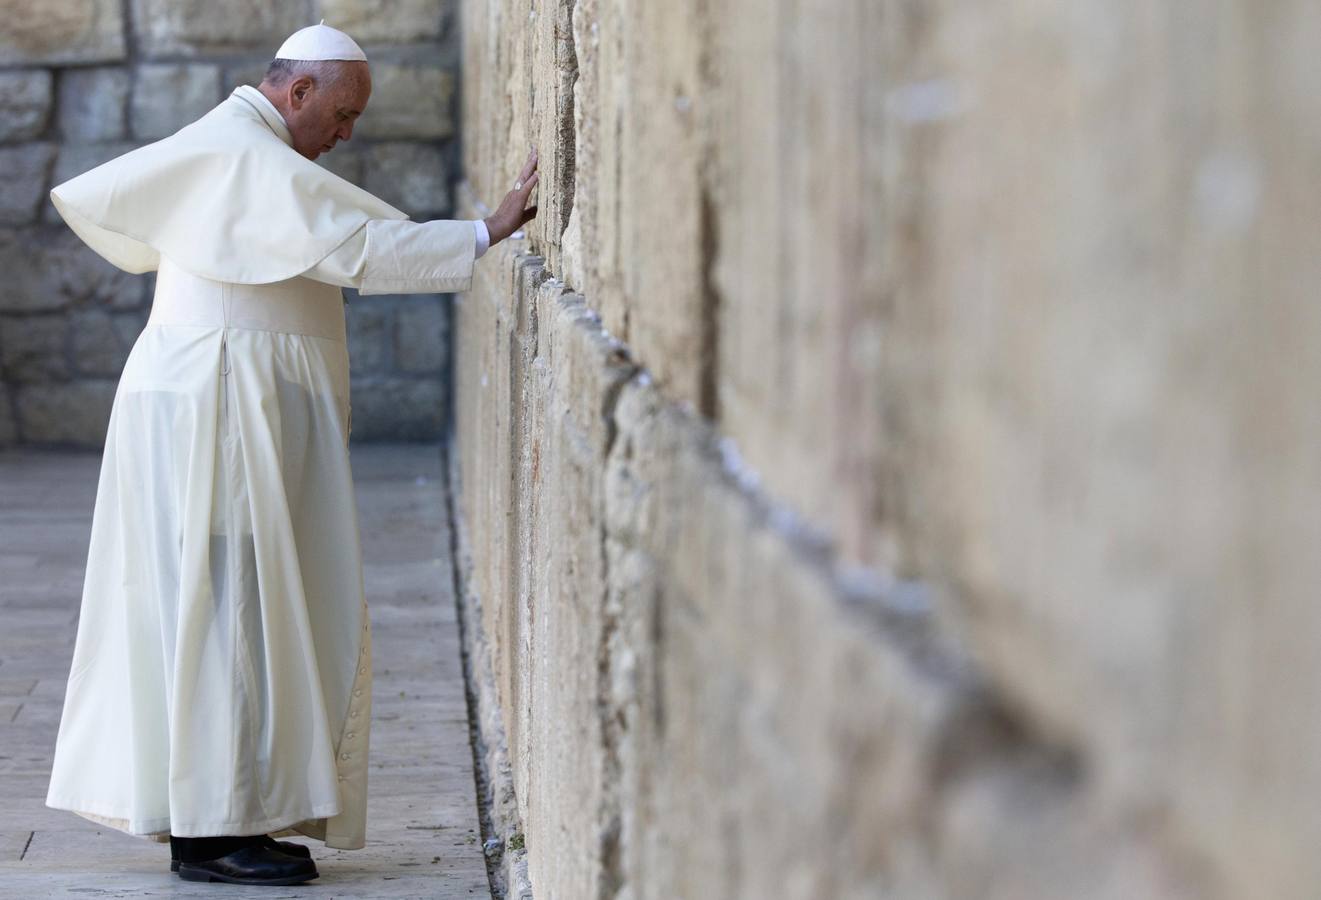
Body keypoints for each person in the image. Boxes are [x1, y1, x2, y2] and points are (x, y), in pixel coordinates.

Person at [41, 21, 538, 887]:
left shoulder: (240, 146)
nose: (344, 136)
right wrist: (481, 233)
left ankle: (230, 813)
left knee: (233, 605)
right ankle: (209, 831)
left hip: (214, 403)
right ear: (297, 91)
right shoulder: (246, 154)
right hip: (217, 410)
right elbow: (354, 247)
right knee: (226, 608)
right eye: (340, 115)